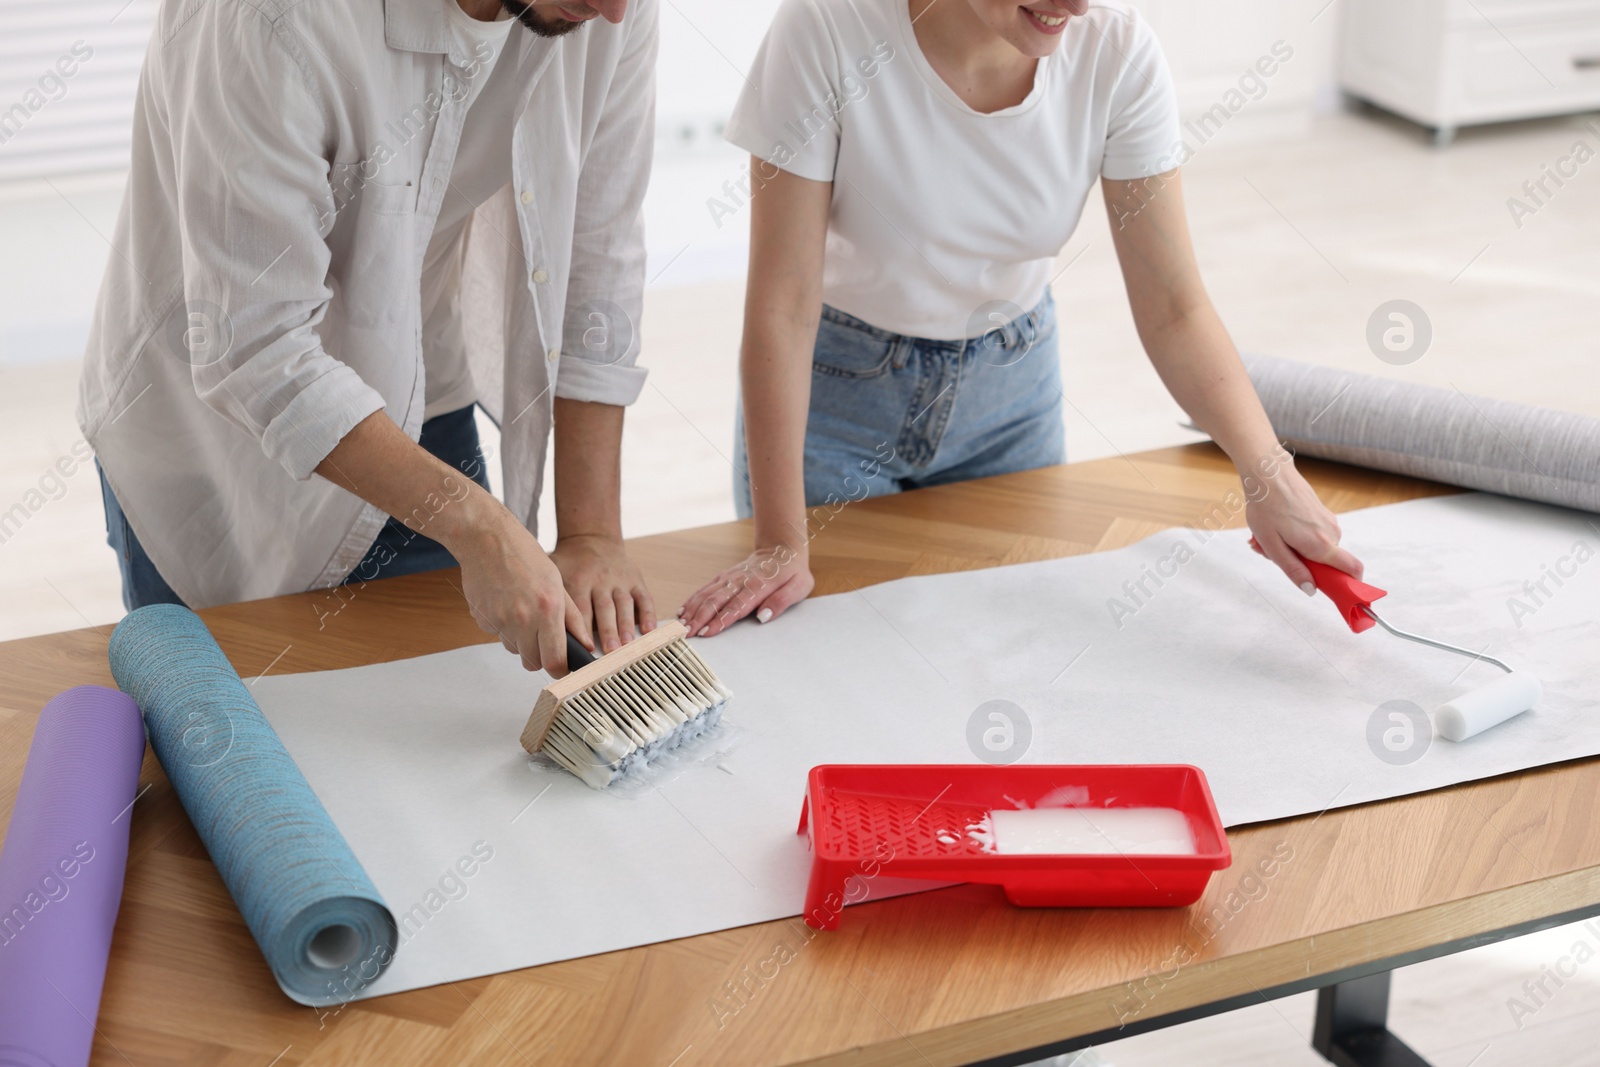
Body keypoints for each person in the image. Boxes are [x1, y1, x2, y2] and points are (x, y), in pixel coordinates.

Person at [679, 0, 1363, 636]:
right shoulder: (828, 27)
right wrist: (778, 543)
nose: (1077, 4)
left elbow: (1175, 307)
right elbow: (783, 304)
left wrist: (1268, 474)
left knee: (1010, 642)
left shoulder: (1117, 52)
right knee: (839, 651)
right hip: (835, 407)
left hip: (1010, 401)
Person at [79, 0, 660, 675]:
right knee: (234, 744)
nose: (618, 12)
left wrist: (591, 531)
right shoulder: (266, 17)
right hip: (211, 443)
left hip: (420, 395)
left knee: (435, 720)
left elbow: (600, 253)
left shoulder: (607, 7)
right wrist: (477, 525)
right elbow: (257, 345)